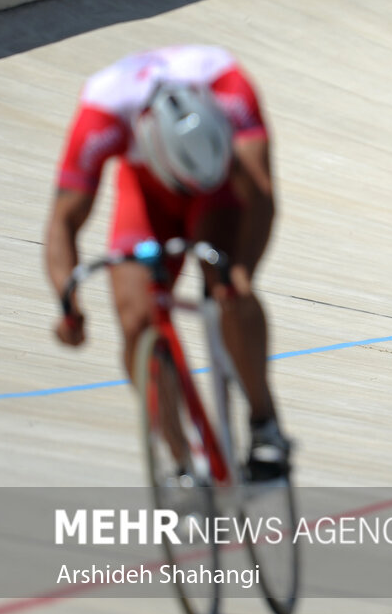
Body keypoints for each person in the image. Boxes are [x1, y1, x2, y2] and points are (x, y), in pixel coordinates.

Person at [43, 45, 291, 480]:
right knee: (137, 320)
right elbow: (63, 221)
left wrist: (242, 275)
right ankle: (183, 463)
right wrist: (68, 301)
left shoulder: (229, 87)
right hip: (146, 195)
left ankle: (264, 423)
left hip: (221, 190)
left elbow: (263, 198)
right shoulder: (103, 111)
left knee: (228, 288)